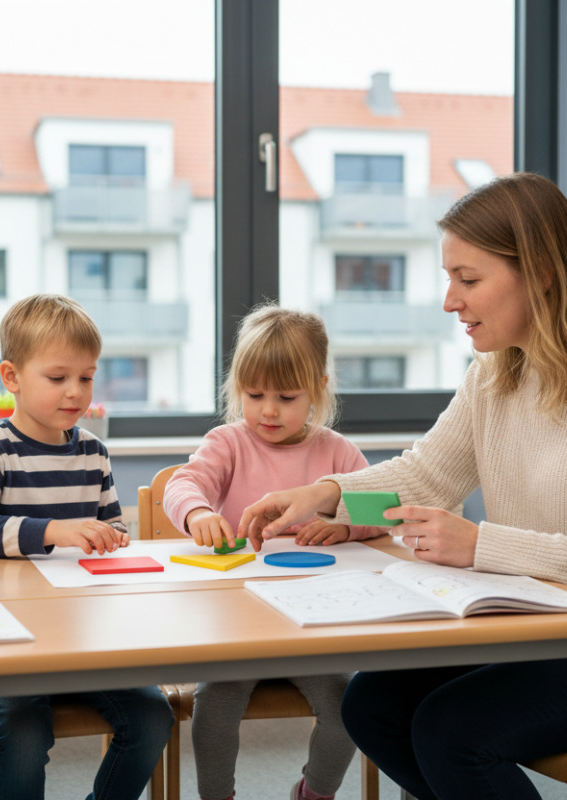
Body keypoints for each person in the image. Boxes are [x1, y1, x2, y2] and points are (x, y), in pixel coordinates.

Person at [237, 172, 567, 800]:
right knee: (372, 704)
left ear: (542, 271)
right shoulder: (498, 370)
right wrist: (328, 492)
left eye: (468, 280)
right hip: (553, 627)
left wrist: (481, 547)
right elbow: (427, 475)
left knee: (455, 733)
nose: (451, 301)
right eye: (450, 279)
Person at [162, 305, 382, 800]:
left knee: (350, 708)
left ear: (318, 390)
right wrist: (198, 514)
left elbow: (381, 510)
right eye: (254, 394)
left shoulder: (337, 452)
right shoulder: (229, 442)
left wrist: (345, 529)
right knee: (214, 709)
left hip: (314, 632)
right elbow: (182, 485)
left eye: (286, 397)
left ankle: (314, 792)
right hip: (240, 629)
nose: (267, 410)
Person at [0, 293, 174, 800]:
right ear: (11, 377)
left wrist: (112, 538)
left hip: (84, 640)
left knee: (152, 717)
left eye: (87, 377)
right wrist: (55, 531)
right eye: (58, 378)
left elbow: (111, 532)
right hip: (6, 642)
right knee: (26, 729)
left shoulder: (93, 452)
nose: (75, 392)